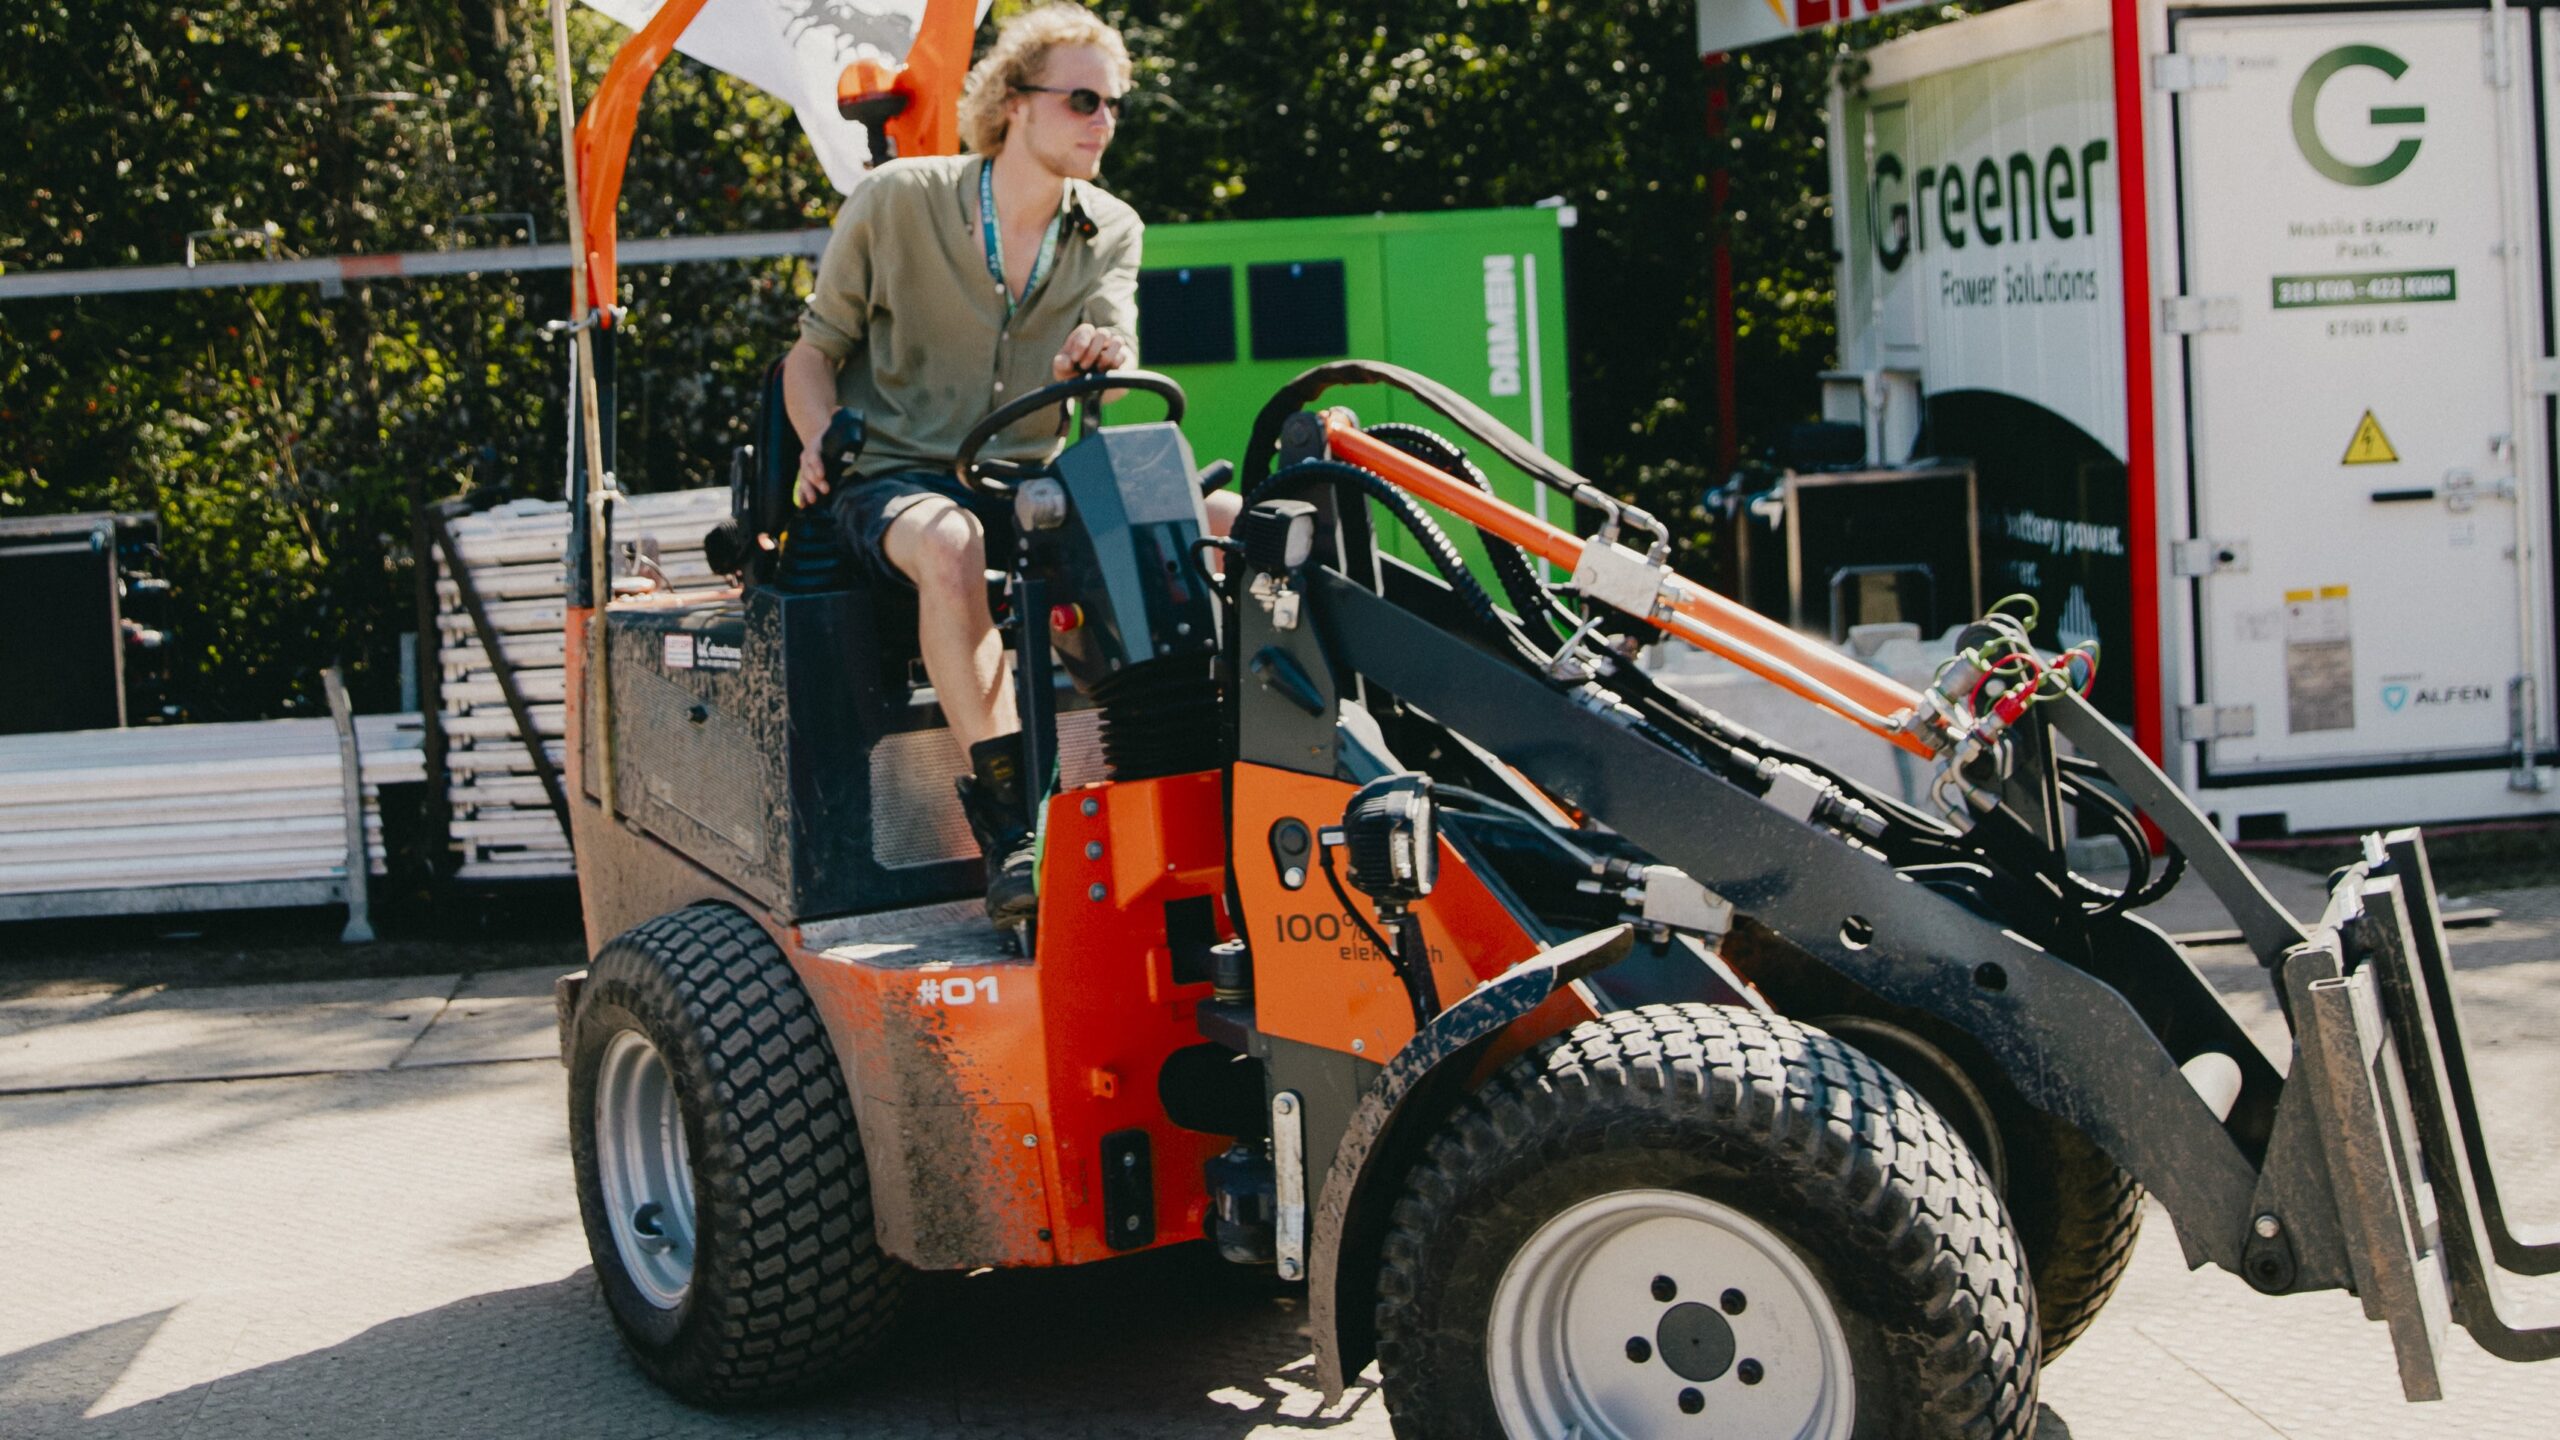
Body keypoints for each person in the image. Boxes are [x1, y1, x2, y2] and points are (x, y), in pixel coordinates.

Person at [783, 4, 1235, 927]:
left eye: (1110, 105)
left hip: (1026, 483)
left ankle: (1222, 783)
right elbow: (812, 354)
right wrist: (818, 438)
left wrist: (1096, 355)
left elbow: (1114, 343)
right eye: (1081, 100)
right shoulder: (898, 201)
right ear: (1013, 106)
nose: (1102, 121)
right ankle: (1016, 823)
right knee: (949, 544)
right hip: (895, 483)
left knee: (1225, 525)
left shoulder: (1109, 225)